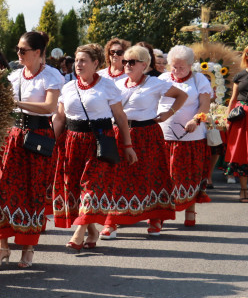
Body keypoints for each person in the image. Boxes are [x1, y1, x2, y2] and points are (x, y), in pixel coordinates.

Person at [0, 31, 63, 270]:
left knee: (33, 191)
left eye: (23, 50)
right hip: (14, 136)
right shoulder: (14, 75)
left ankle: (28, 249)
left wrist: (16, 104)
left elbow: (49, 107)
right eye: (17, 49)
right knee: (1, 187)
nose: (18, 54)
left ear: (38, 53)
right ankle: (2, 246)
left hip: (39, 137)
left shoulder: (51, 75)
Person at [52, 44, 137, 249]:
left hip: (100, 141)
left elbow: (120, 117)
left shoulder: (107, 86)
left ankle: (78, 233)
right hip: (72, 141)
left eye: (83, 61)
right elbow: (60, 117)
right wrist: (51, 143)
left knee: (91, 187)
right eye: (77, 60)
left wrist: (127, 145)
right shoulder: (68, 86)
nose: (78, 65)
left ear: (96, 63)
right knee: (74, 186)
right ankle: (92, 231)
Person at [98, 45, 186, 239]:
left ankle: (154, 218)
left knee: (151, 175)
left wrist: (167, 114)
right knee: (117, 177)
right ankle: (112, 221)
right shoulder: (118, 84)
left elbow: (182, 95)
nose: (127, 65)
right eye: (125, 61)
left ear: (144, 64)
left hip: (147, 134)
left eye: (132, 62)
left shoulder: (155, 83)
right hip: (120, 133)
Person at [158, 45, 213, 227]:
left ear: (191, 65)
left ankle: (190, 210)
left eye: (181, 67)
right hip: (164, 137)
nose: (177, 70)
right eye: (174, 66)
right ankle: (161, 214)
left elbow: (204, 105)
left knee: (189, 176)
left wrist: (195, 120)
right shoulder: (163, 78)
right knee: (164, 177)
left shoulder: (199, 80)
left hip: (192, 138)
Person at [225, 46, 248, 202]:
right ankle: (244, 190)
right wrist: (227, 119)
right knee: (242, 154)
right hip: (242, 116)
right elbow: (233, 100)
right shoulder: (240, 76)